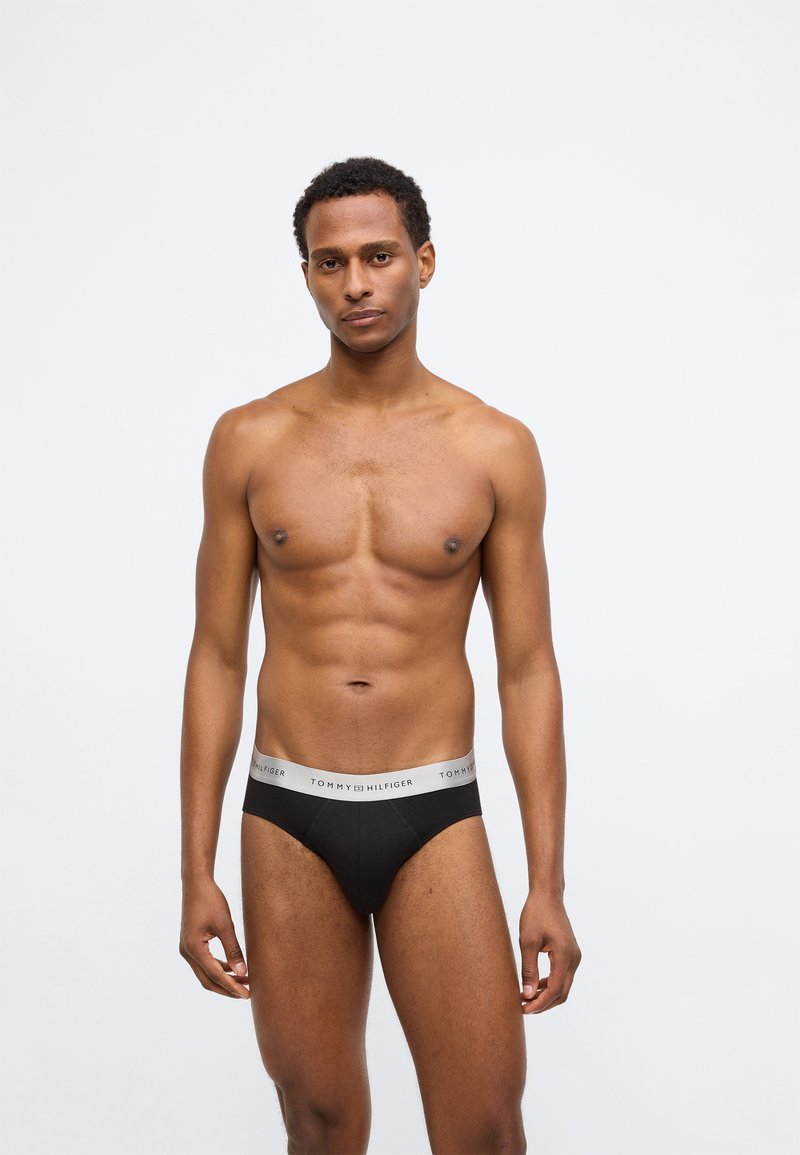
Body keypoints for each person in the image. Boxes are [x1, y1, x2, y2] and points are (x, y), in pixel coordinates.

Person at [179, 156, 581, 1155]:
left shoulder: (492, 447)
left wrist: (546, 880)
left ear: (423, 261)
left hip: (430, 807)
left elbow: (527, 668)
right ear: (307, 276)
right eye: (330, 263)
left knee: (482, 1127)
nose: (355, 284)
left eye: (378, 256)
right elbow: (217, 656)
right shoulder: (248, 440)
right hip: (289, 812)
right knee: (318, 1123)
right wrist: (194, 869)